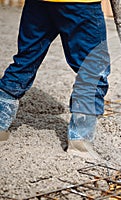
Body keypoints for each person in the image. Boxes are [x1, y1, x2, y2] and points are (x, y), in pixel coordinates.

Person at [0, 0, 110, 153]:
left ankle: (0, 124)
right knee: (92, 70)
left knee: (25, 61)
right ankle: (80, 143)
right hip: (80, 4)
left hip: (38, 2)